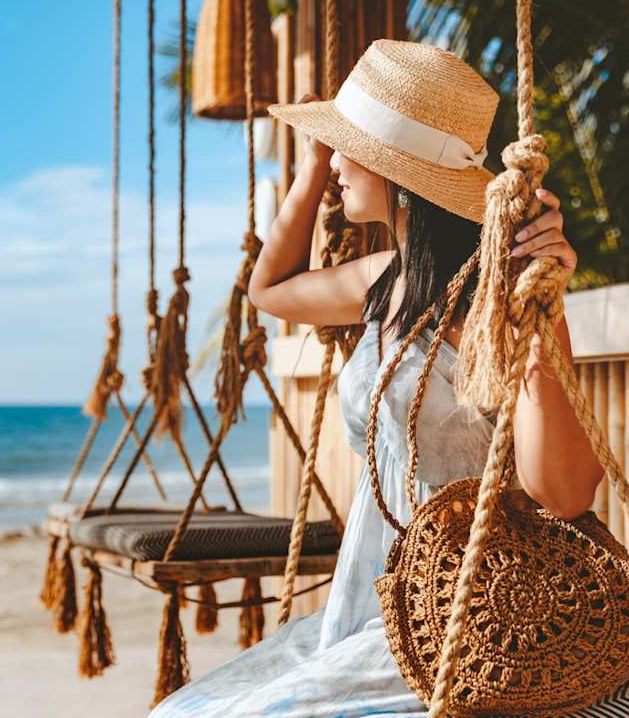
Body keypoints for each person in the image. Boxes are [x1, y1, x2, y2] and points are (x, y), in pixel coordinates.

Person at [147, 39, 602, 717]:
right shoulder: (386, 282)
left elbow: (563, 494)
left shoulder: (499, 301)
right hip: (375, 593)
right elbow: (269, 291)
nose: (337, 162)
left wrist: (533, 305)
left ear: (400, 172)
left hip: (470, 602)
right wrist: (310, 169)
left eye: (346, 146)